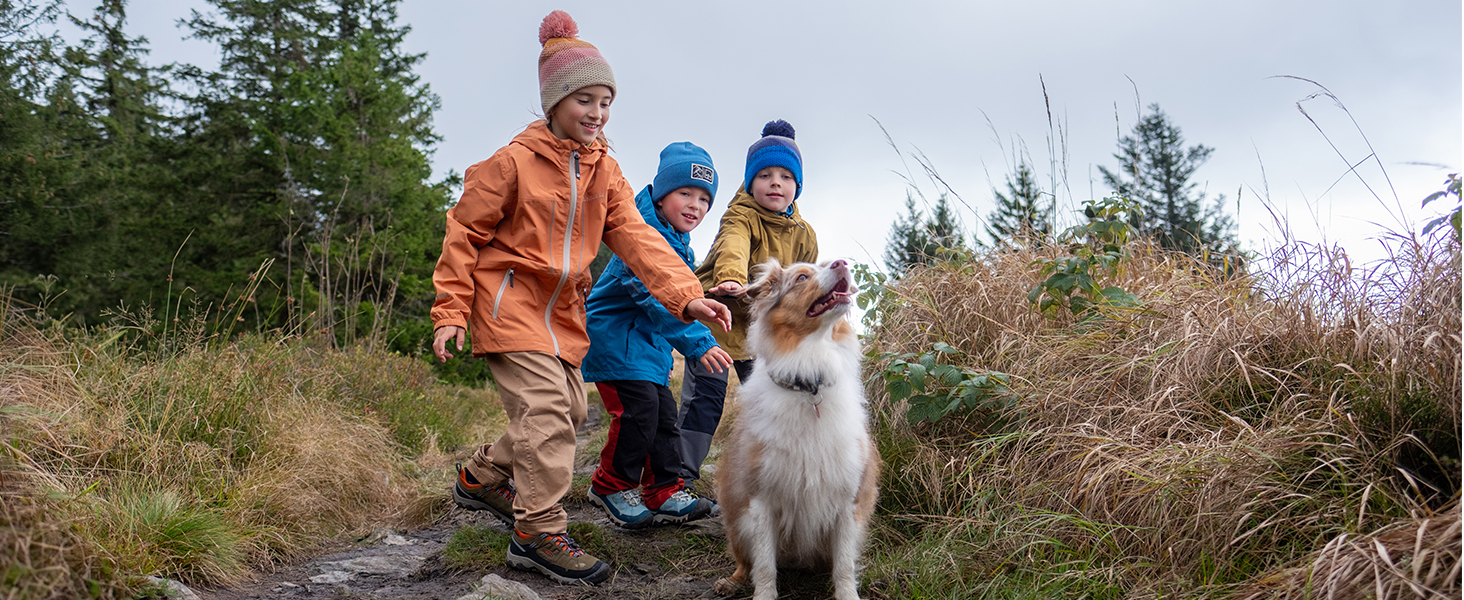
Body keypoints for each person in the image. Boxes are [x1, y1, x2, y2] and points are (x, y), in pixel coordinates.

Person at [430, 11, 731, 586]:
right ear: (555, 102)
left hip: (565, 314)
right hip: (508, 305)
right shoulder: (512, 163)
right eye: (584, 100)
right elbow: (463, 232)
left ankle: (482, 477)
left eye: (606, 102)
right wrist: (450, 311)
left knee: (566, 413)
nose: (597, 114)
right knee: (547, 415)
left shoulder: (606, 173)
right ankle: (537, 532)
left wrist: (687, 299)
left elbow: (641, 241)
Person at [581, 142, 733, 529]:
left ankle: (664, 489)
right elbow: (654, 299)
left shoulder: (681, 246)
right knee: (638, 414)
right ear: (661, 194)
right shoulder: (643, 237)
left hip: (647, 352)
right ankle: (610, 485)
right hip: (616, 344)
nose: (695, 206)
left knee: (664, 419)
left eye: (704, 199)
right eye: (685, 193)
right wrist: (699, 342)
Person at [676, 120, 819, 490]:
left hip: (760, 332)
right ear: (750, 181)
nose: (776, 183)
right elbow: (733, 245)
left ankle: (773, 473)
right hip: (717, 319)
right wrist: (731, 277)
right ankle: (679, 477)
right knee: (705, 401)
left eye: (786, 176)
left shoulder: (805, 235)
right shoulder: (741, 215)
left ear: (797, 186)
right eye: (766, 175)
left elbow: (806, 283)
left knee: (771, 402)